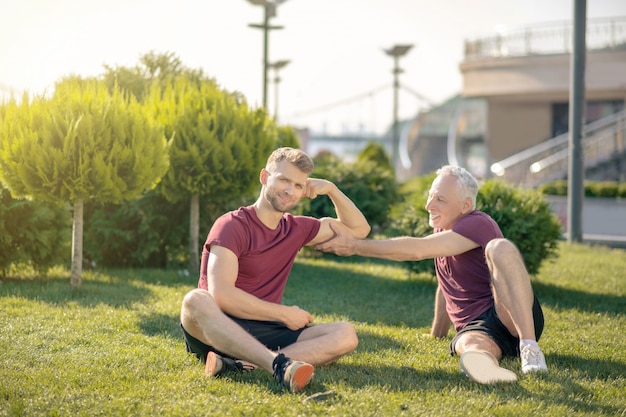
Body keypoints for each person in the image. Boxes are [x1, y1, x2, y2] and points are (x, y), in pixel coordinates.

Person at [315, 165, 547, 384]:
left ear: (465, 205)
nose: (429, 205)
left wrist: (355, 246)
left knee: (501, 247)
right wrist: (437, 333)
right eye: (431, 196)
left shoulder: (477, 223)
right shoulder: (443, 229)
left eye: (440, 199)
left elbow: (416, 250)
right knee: (471, 346)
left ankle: (530, 348)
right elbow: (447, 284)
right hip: (477, 328)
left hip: (510, 312)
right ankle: (487, 367)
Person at [179, 147, 371, 393]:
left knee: (346, 334)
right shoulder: (231, 225)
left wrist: (332, 189)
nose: (290, 191)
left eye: (299, 185)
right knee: (195, 300)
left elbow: (358, 230)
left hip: (266, 330)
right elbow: (222, 296)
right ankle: (278, 365)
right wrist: (283, 314)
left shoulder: (297, 229)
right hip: (218, 328)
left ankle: (242, 366)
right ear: (264, 177)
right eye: (283, 180)